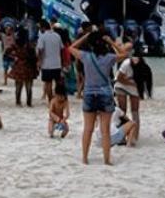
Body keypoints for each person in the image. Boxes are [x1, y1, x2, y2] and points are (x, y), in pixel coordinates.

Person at [69, 26, 129, 165]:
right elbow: (124, 54)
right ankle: (107, 160)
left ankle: (85, 158)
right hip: (105, 93)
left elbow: (71, 47)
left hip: (89, 93)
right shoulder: (109, 57)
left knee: (88, 129)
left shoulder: (86, 56)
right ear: (104, 44)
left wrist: (86, 36)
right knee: (105, 130)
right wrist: (111, 42)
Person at [113, 48, 152, 141]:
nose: (135, 59)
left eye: (137, 58)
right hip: (121, 85)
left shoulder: (144, 67)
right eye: (133, 57)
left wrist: (137, 86)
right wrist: (131, 83)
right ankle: (122, 134)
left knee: (135, 111)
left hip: (134, 87)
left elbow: (146, 82)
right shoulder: (126, 64)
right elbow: (119, 78)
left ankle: (135, 135)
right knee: (122, 111)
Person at [7, 29, 38, 107]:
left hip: (18, 66)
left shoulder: (16, 44)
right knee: (29, 86)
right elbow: (34, 56)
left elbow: (7, 51)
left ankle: (18, 101)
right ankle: (29, 102)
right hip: (28, 66)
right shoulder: (29, 45)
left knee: (18, 85)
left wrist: (14, 57)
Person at [35, 20, 63, 104]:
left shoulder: (42, 37)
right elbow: (61, 49)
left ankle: (50, 100)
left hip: (46, 63)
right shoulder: (57, 36)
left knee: (48, 83)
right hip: (57, 63)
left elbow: (40, 50)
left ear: (43, 28)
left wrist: (39, 61)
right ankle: (59, 98)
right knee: (58, 82)